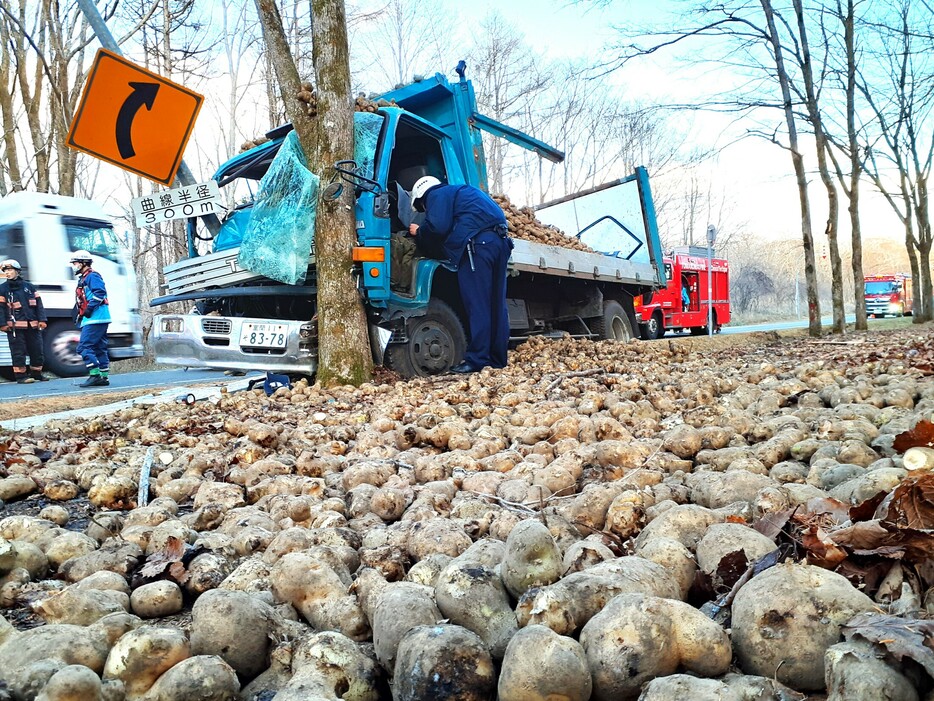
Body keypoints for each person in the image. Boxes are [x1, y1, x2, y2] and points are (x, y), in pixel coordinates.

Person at [408, 176, 512, 374]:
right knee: (496, 305)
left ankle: (477, 360)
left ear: (422, 196)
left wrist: (420, 232)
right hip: (499, 243)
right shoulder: (460, 192)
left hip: (477, 246)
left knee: (478, 304)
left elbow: (438, 227)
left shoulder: (436, 194)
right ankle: (497, 360)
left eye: (423, 207)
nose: (425, 210)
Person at [0, 259, 48, 383]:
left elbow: (39, 305)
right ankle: (21, 376)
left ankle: (36, 373)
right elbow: (0, 309)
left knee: (37, 350)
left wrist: (42, 319)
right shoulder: (2, 289)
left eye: (10, 270)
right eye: (5, 271)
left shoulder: (29, 287)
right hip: (15, 328)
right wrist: (2, 324)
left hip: (33, 326)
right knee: (18, 352)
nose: (7, 273)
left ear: (17, 271)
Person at [70, 250, 111, 387]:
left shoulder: (92, 276)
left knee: (84, 347)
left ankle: (95, 375)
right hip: (96, 318)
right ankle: (104, 377)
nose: (74, 265)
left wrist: (89, 309)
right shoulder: (84, 278)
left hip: (96, 318)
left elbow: (100, 292)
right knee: (99, 348)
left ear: (83, 263)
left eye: (75, 263)